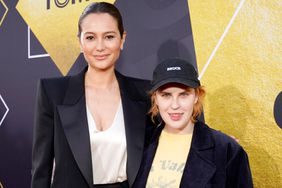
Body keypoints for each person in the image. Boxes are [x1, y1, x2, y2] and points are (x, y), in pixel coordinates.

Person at [31, 2, 152, 188]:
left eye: (109, 36)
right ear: (80, 42)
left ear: (122, 39)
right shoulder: (53, 93)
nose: (100, 46)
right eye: (90, 38)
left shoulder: (145, 94)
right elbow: (41, 171)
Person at [133, 57, 253, 188]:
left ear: (196, 96)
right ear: (155, 98)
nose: (175, 105)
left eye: (184, 94)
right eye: (166, 95)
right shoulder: (138, 143)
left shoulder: (226, 150)